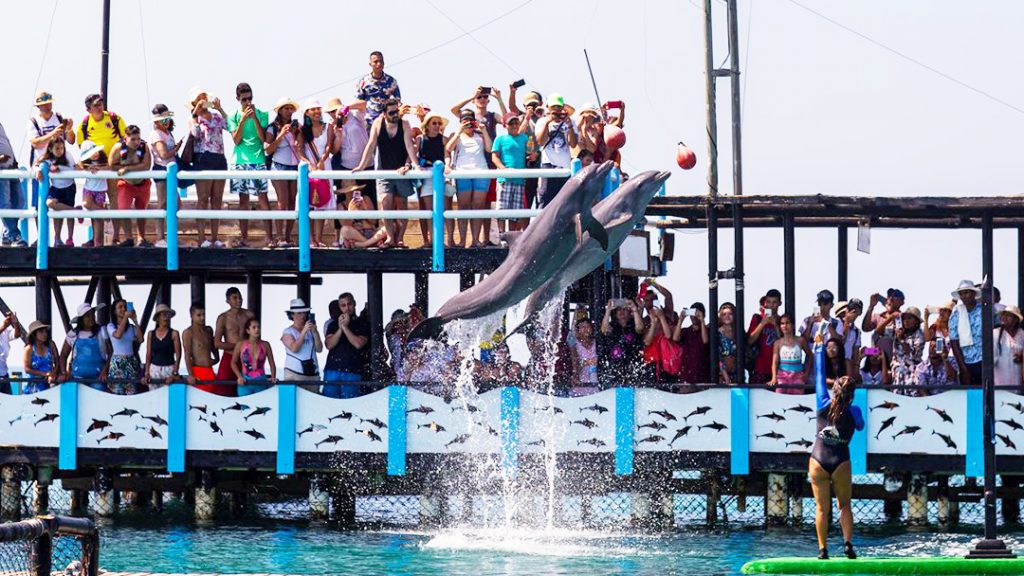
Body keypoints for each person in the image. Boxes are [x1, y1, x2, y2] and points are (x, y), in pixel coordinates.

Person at [809, 368, 864, 560]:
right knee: (844, 506)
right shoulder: (854, 411)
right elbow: (860, 426)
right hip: (840, 460)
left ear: (835, 390)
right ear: (852, 395)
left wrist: (818, 348)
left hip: (818, 460)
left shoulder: (821, 402)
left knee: (821, 508)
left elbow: (819, 375)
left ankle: (822, 550)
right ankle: (848, 545)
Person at [353, 98, 418, 248]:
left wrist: (414, 165)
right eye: (392, 112)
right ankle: (390, 238)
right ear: (384, 113)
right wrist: (361, 166)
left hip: (401, 171)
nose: (396, 115)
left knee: (402, 204)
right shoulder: (378, 123)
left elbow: (409, 145)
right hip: (384, 170)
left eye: (397, 111)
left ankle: (400, 238)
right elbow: (371, 145)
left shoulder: (404, 124)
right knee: (385, 202)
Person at [77, 94, 127, 245]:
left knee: (113, 198)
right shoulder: (84, 125)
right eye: (95, 105)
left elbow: (125, 140)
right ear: (88, 109)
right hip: (95, 168)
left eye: (101, 103)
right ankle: (96, 239)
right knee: (94, 203)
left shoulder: (114, 118)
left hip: (111, 165)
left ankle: (116, 237)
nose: (99, 107)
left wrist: (119, 163)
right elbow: (82, 148)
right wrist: (89, 166)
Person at [226, 83, 272, 248]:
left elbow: (263, 139)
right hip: (240, 162)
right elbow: (236, 140)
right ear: (238, 99)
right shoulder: (233, 116)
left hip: (258, 161)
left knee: (263, 200)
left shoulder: (262, 114)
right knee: (243, 201)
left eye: (250, 98)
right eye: (244, 99)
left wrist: (254, 119)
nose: (247, 102)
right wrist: (244, 119)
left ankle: (269, 237)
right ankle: (244, 238)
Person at [188, 88, 229, 248]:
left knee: (217, 199)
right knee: (203, 198)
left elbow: (229, 126)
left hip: (219, 157)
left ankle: (214, 237)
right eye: (198, 98)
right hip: (203, 158)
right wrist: (195, 114)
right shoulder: (193, 118)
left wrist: (219, 108)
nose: (202, 100)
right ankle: (202, 238)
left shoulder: (216, 116)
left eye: (203, 98)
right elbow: (196, 134)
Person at [446, 109, 492, 247]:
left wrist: (483, 131)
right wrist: (460, 131)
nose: (468, 123)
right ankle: (462, 240)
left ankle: (476, 240)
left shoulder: (479, 135)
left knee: (478, 207)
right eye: (464, 120)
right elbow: (449, 148)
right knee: (463, 207)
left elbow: (489, 149)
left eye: (470, 120)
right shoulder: (457, 135)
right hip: (462, 173)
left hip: (481, 172)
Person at [265, 97, 303, 247]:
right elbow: (267, 150)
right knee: (283, 201)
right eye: (285, 108)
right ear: (279, 110)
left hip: (294, 166)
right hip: (279, 165)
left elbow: (299, 146)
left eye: (290, 108)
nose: (288, 111)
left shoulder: (297, 126)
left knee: (293, 201)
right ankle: (279, 236)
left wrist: (295, 134)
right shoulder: (272, 128)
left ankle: (287, 236)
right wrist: (281, 134)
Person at [108, 125, 153, 247]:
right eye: (133, 139)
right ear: (125, 138)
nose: (136, 142)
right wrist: (123, 169)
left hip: (143, 183)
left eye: (138, 138)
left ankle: (141, 238)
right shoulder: (118, 148)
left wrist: (127, 168)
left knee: (141, 211)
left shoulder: (144, 147)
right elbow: (111, 165)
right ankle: (129, 238)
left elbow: (146, 166)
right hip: (126, 184)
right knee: (123, 211)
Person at [300, 100, 336, 247]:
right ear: (307, 112)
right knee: (308, 203)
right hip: (308, 169)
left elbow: (329, 145)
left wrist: (322, 160)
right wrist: (309, 164)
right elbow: (299, 150)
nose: (316, 112)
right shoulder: (303, 130)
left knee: (322, 201)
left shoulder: (328, 127)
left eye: (318, 109)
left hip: (324, 166)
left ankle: (318, 238)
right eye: (312, 109)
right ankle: (310, 240)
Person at [416, 111, 452, 245]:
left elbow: (447, 155)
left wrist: (447, 166)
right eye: (434, 123)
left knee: (446, 210)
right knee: (430, 212)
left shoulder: (444, 139)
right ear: (428, 125)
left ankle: (449, 240)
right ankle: (433, 241)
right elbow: (415, 155)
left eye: (439, 123)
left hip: (441, 174)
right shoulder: (420, 139)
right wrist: (415, 166)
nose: (437, 126)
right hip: (426, 176)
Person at [323, 293, 369, 399]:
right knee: (329, 403)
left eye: (349, 304)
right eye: (343, 305)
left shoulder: (362, 324)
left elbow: (358, 344)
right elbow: (329, 344)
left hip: (353, 371)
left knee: (350, 407)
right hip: (332, 370)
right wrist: (340, 328)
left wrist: (345, 328)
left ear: (354, 304)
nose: (347, 308)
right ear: (340, 307)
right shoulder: (333, 324)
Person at [534, 94, 577, 207]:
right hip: (548, 165)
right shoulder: (542, 121)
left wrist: (569, 126)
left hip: (565, 167)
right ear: (548, 107)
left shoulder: (570, 122)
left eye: (558, 107)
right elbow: (540, 142)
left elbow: (573, 144)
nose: (556, 110)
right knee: (545, 199)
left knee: (564, 202)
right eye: (554, 107)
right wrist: (548, 122)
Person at [148, 105, 182, 248]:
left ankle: (171, 235)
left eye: (168, 119)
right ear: (156, 122)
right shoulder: (156, 134)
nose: (166, 122)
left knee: (176, 204)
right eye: (163, 120)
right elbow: (163, 154)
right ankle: (160, 238)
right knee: (162, 204)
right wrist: (175, 149)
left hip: (171, 171)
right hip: (162, 169)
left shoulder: (168, 133)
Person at [34, 136, 77, 246]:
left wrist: (60, 169)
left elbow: (75, 168)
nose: (60, 151)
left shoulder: (68, 156)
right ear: (50, 149)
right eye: (57, 148)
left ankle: (70, 239)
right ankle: (57, 238)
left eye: (62, 148)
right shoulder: (47, 158)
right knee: (51, 204)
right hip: (56, 188)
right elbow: (37, 164)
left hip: (69, 187)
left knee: (69, 215)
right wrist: (38, 170)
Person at [507, 88, 543, 209]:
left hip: (540, 162)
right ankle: (524, 228)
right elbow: (519, 134)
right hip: (524, 162)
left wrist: (538, 154)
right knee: (524, 201)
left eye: (534, 104)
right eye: (529, 105)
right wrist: (527, 117)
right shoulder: (521, 118)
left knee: (541, 199)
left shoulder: (544, 119)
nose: (532, 107)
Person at [59, 303, 108, 391]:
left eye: (93, 314)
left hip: (98, 377)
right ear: (81, 319)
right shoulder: (72, 334)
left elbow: (111, 352)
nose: (91, 318)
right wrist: (63, 372)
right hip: (77, 377)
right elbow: (63, 355)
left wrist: (105, 371)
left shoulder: (102, 331)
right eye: (87, 316)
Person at [214, 287, 253, 396]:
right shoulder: (223, 318)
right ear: (228, 301)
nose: (239, 300)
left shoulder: (248, 315)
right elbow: (216, 343)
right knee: (222, 388)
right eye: (235, 298)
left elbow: (255, 336)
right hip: (229, 356)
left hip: (246, 358)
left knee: (248, 388)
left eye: (240, 297)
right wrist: (238, 346)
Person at [599, 298, 645, 385]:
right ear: (615, 313)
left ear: (629, 312)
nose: (621, 312)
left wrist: (635, 309)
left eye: (624, 309)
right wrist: (608, 310)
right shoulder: (613, 326)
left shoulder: (633, 324)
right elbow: (604, 329)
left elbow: (640, 328)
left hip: (633, 366)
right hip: (615, 368)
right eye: (619, 309)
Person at [282, 299, 323, 391]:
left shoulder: (311, 331)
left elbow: (319, 349)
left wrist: (315, 332)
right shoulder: (288, 331)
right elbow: (294, 348)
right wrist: (304, 332)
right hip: (294, 374)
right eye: (299, 313)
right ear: (292, 315)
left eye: (304, 313)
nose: (302, 316)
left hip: (312, 374)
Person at [105, 299, 143, 395]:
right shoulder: (111, 326)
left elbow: (140, 339)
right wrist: (125, 317)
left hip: (130, 361)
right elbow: (118, 335)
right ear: (114, 311)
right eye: (120, 307)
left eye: (125, 307)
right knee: (117, 392)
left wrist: (135, 320)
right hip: (117, 361)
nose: (123, 309)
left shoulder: (131, 327)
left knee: (132, 391)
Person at [949, 280, 983, 386]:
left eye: (967, 292)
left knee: (986, 394)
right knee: (971, 397)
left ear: (973, 293)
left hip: (983, 360)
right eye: (962, 294)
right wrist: (963, 368)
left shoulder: (983, 310)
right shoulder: (956, 312)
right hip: (966, 361)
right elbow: (954, 341)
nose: (964, 296)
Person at [232, 318, 278, 396]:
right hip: (245, 381)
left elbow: (272, 363)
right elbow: (233, 362)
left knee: (260, 405)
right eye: (254, 327)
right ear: (248, 330)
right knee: (245, 406)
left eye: (258, 327)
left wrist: (273, 377)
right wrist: (239, 377)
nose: (257, 329)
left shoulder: (265, 344)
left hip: (261, 381)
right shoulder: (240, 344)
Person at [356, 51, 401, 128]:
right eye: (375, 62)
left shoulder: (391, 81)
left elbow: (397, 101)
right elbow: (358, 101)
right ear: (370, 64)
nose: (379, 64)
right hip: (369, 122)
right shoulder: (364, 82)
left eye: (381, 61)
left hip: (388, 122)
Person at [28, 91, 75, 165]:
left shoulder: (60, 117)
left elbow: (71, 141)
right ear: (38, 106)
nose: (47, 106)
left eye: (49, 103)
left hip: (61, 162)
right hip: (41, 163)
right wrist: (53, 134)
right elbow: (35, 144)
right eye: (44, 104)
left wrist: (69, 129)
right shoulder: (34, 121)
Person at [769, 314, 812, 395]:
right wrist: (774, 377)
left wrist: (807, 373)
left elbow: (810, 355)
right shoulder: (777, 343)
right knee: (780, 399)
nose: (785, 326)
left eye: (787, 323)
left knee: (797, 401)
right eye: (782, 323)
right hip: (782, 376)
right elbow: (774, 362)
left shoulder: (800, 340)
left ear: (793, 325)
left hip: (798, 376)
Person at [76, 141, 109, 246]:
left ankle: (97, 241)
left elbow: (109, 167)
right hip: (89, 188)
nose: (95, 154)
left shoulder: (103, 161)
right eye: (91, 153)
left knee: (96, 217)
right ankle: (106, 214)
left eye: (96, 151)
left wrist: (99, 168)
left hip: (100, 189)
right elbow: (76, 166)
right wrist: (86, 168)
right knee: (87, 204)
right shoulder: (86, 164)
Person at [747, 289, 782, 384]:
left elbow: (785, 344)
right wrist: (762, 323)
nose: (771, 305)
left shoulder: (782, 321)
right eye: (769, 302)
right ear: (765, 303)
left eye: (774, 302)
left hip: (777, 370)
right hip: (759, 368)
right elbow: (750, 340)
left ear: (780, 303)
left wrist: (776, 325)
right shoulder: (757, 318)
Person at [142, 304, 180, 390]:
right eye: (163, 315)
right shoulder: (151, 334)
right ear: (158, 318)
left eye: (168, 315)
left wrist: (174, 373)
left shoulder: (174, 333)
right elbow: (148, 354)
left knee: (168, 395)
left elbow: (178, 355)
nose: (166, 318)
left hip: (169, 368)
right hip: (154, 368)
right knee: (153, 395)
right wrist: (147, 372)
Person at [182, 303, 219, 393]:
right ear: (192, 316)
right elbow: (187, 355)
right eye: (199, 315)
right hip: (198, 371)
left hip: (210, 370)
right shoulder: (188, 333)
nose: (202, 318)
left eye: (203, 315)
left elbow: (214, 347)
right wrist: (191, 375)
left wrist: (217, 359)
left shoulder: (208, 330)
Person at [0, 121, 26, 247]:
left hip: (11, 167)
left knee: (19, 201)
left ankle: (7, 233)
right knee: (5, 204)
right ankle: (13, 234)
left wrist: (14, 161)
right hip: (1, 170)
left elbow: (6, 143)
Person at [890, 306, 925, 393]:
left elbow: (913, 355)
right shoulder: (898, 330)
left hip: (913, 366)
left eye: (909, 318)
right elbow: (878, 332)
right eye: (904, 318)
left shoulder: (920, 335)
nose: (906, 321)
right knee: (900, 371)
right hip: (897, 366)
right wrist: (890, 319)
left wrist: (901, 339)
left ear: (916, 321)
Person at [673, 304, 710, 386]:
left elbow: (705, 341)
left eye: (696, 314)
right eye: (692, 314)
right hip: (686, 375)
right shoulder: (686, 331)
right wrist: (680, 320)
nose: (694, 317)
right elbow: (675, 338)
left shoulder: (708, 331)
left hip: (703, 375)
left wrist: (702, 320)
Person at [861, 288, 905, 358]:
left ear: (902, 302)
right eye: (889, 295)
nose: (891, 298)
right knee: (863, 351)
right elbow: (865, 328)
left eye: (895, 296)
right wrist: (871, 306)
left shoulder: (904, 319)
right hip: (879, 360)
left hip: (895, 363)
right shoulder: (878, 316)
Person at [22, 321, 59, 394]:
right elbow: (27, 369)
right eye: (41, 332)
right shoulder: (29, 349)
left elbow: (57, 361)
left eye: (45, 331)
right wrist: (45, 374)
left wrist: (53, 373)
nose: (45, 334)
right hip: (32, 387)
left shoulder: (51, 345)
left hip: (48, 384)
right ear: (34, 334)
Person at [994, 305, 1024, 389]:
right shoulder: (995, 333)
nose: (1004, 317)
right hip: (1000, 378)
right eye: (1003, 315)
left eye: (1008, 315)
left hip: (1017, 378)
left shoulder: (1022, 334)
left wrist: (1021, 358)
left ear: (1016, 319)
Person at [833, 299, 863, 380]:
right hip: (834, 364)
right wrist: (847, 322)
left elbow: (856, 353)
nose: (853, 312)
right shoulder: (836, 323)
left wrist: (856, 368)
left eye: (856, 310)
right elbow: (840, 342)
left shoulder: (857, 331)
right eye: (851, 309)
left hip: (848, 367)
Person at [571, 317, 599, 396]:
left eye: (588, 326)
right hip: (581, 383)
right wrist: (586, 362)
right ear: (578, 330)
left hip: (595, 382)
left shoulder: (597, 342)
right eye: (582, 327)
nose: (585, 329)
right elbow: (574, 363)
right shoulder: (575, 344)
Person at [0, 311, 22, 394]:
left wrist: (15, 322)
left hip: (4, 375)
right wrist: (4, 326)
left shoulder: (4, 332)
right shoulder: (3, 328)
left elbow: (17, 334)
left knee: (8, 405)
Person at [718, 302, 738, 384]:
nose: (727, 316)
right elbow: (717, 357)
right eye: (724, 314)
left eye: (730, 314)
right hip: (722, 375)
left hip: (737, 374)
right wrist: (725, 376)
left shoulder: (738, 332)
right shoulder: (717, 333)